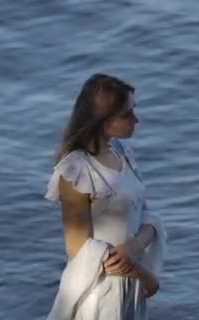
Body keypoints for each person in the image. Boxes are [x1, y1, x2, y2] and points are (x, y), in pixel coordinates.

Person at [44, 73, 167, 320]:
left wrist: (135, 246)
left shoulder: (122, 153)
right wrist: (144, 276)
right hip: (101, 292)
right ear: (104, 120)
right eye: (127, 114)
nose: (136, 119)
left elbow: (145, 213)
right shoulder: (76, 170)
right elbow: (80, 249)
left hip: (131, 283)